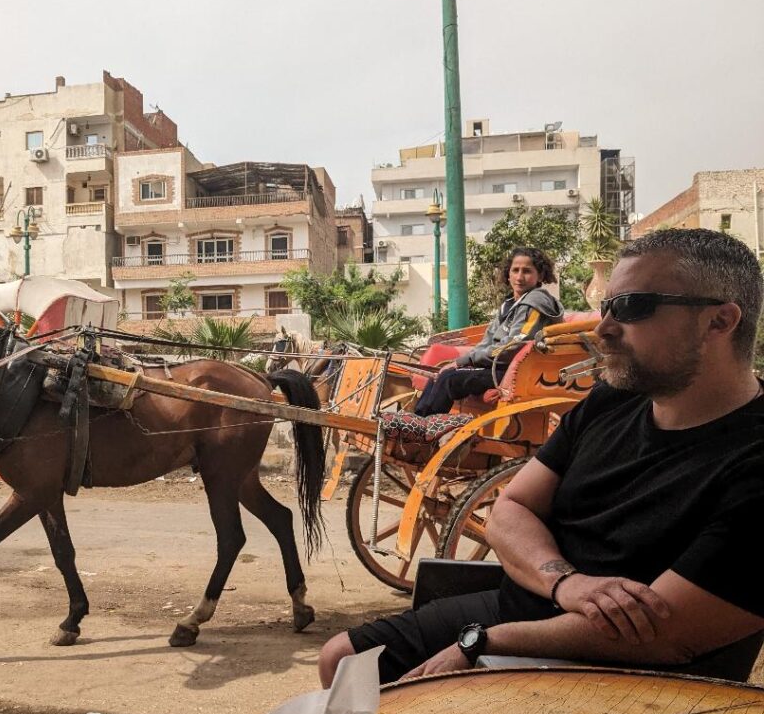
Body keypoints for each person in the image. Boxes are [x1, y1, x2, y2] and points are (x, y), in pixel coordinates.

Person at [321, 228, 764, 686]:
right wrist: (565, 582)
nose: (603, 329)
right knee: (341, 661)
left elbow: (666, 634)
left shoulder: (750, 457)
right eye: (606, 307)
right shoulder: (611, 401)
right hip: (527, 605)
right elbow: (510, 508)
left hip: (627, 669)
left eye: (632, 307)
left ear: (720, 321)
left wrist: (484, 643)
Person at [414, 247, 564, 417]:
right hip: (497, 366)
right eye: (515, 270)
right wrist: (462, 362)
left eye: (527, 271)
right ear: (508, 274)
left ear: (541, 275)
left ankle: (424, 431)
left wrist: (466, 361)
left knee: (449, 380)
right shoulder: (508, 305)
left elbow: (513, 347)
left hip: (516, 372)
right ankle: (418, 423)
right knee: (439, 374)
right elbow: (487, 342)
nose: (520, 277)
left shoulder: (536, 303)